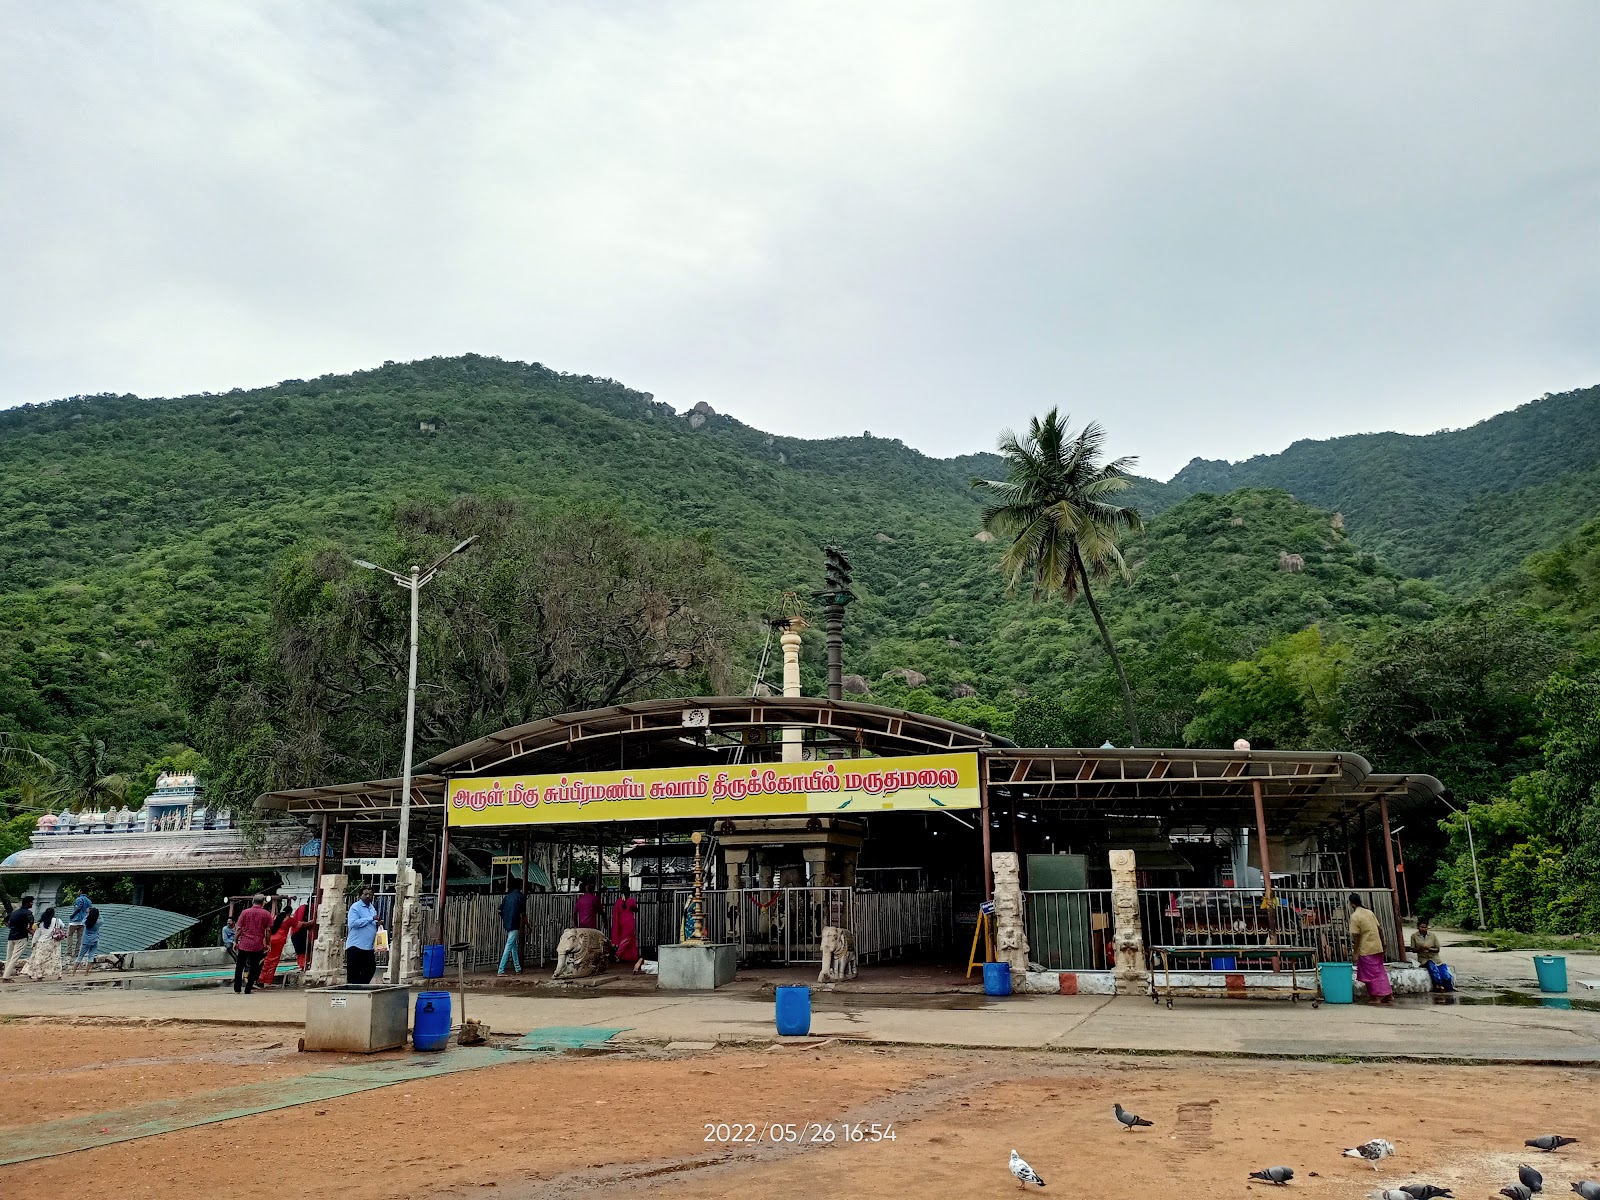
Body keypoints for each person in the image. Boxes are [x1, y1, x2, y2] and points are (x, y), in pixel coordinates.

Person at [1348, 893, 1393, 1005]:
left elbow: (1356, 936)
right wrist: (1383, 943)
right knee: (1380, 971)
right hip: (1377, 946)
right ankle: (1389, 995)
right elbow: (1379, 929)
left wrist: (1355, 952)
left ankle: (1376, 997)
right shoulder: (1369, 912)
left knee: (1370, 974)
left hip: (1366, 948)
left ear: (1351, 904)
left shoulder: (1355, 916)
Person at [233, 895, 273, 995]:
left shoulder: (245, 912)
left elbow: (239, 929)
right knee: (254, 967)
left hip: (244, 944)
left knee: (239, 966)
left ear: (253, 902)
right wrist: (268, 944)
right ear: (263, 902)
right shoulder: (267, 914)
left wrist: (235, 941)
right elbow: (268, 930)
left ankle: (237, 988)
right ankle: (248, 989)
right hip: (257, 945)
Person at [255, 901, 300, 989]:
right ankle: (266, 981)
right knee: (273, 961)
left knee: (267, 960)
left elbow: (268, 928)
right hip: (279, 941)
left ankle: (261, 979)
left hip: (270, 940)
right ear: (290, 912)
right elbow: (300, 925)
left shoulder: (274, 917)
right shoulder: (289, 920)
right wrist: (311, 923)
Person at [345, 886, 378, 984]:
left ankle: (362, 987)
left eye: (370, 894)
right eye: (365, 894)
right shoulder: (355, 907)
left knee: (370, 969)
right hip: (356, 946)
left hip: (368, 947)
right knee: (354, 973)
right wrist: (371, 919)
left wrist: (377, 922)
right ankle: (354, 990)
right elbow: (353, 923)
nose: (368, 896)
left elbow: (372, 922)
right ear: (360, 896)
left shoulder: (372, 908)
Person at [25, 906, 66, 981]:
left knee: (40, 960)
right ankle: (59, 975)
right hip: (54, 942)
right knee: (56, 958)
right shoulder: (58, 920)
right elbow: (63, 926)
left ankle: (39, 975)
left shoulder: (41, 923)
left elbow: (37, 935)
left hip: (42, 943)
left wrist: (33, 943)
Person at [3, 896, 35, 981]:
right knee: (15, 958)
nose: (32, 904)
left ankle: (5, 975)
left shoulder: (14, 912)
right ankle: (6, 977)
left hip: (11, 936)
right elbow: (30, 924)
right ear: (27, 903)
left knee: (9, 957)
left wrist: (10, 927)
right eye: (31, 902)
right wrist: (31, 931)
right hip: (21, 937)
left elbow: (4, 920)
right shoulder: (28, 913)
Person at [498, 881, 527, 976]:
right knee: (509, 945)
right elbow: (523, 914)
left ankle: (517, 968)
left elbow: (499, 910)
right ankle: (501, 970)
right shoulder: (521, 897)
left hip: (507, 923)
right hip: (515, 923)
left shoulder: (507, 897)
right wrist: (528, 926)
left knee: (513, 946)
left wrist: (505, 918)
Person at [610, 881, 640, 971]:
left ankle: (627, 956)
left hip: (621, 922)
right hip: (629, 922)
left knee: (624, 938)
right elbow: (636, 909)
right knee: (628, 939)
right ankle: (618, 954)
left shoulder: (618, 901)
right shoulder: (631, 901)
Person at [66, 889, 92, 965]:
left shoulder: (79, 899)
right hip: (83, 921)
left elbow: (78, 907)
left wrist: (72, 915)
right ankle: (77, 952)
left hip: (75, 920)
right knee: (79, 938)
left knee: (69, 935)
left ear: (80, 891)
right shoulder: (89, 901)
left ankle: (69, 952)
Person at [75, 906, 100, 972]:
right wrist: (97, 914)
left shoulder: (86, 922)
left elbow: (83, 921)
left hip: (86, 941)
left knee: (80, 956)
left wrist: (88, 914)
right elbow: (102, 919)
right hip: (95, 940)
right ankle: (87, 972)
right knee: (91, 956)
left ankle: (73, 972)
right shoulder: (98, 923)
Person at [289, 902, 311, 971]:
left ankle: (304, 965)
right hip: (300, 933)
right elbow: (298, 924)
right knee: (303, 951)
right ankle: (304, 965)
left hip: (299, 933)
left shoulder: (301, 908)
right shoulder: (303, 909)